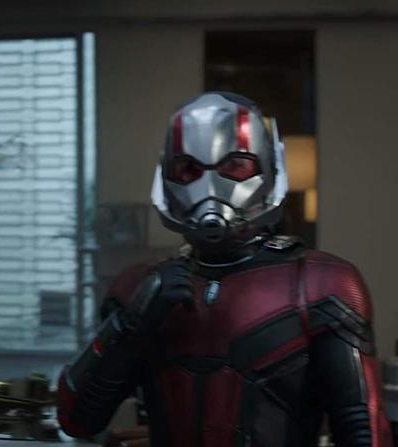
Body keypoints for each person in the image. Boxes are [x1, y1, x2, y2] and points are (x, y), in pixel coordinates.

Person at [57, 92, 392, 446]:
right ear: (167, 175)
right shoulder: (140, 288)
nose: (209, 187)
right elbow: (76, 419)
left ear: (267, 168)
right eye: (188, 170)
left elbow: (363, 430)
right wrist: (130, 325)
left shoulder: (322, 283)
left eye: (235, 166)